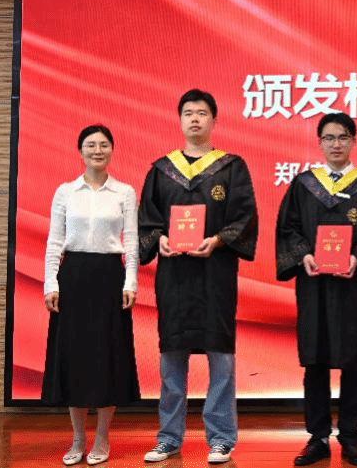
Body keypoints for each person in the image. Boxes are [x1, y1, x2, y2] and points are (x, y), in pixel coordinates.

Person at [139, 89, 258, 464]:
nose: (195, 118)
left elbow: (245, 217)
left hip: (215, 274)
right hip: (174, 275)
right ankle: (168, 437)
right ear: (179, 120)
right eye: (188, 113)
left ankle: (221, 438)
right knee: (171, 355)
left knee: (220, 356)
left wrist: (218, 240)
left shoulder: (231, 168)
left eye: (202, 113)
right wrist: (159, 239)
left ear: (214, 120)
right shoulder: (162, 170)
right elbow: (147, 222)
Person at [276, 112, 357, 467]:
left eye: (343, 137)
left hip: (351, 285)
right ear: (319, 143)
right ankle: (317, 438)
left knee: (352, 361)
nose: (336, 144)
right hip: (313, 283)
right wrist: (304, 254)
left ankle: (350, 438)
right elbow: (287, 229)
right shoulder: (303, 185)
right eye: (329, 138)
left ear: (354, 141)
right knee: (315, 361)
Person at [42, 124, 140, 466]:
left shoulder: (124, 192)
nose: (97, 150)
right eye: (90, 145)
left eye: (103, 145)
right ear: (80, 151)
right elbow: (55, 241)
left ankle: (102, 437)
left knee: (107, 357)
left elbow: (131, 242)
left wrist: (131, 282)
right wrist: (51, 284)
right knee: (76, 358)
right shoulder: (66, 192)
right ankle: (77, 438)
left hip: (110, 278)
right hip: (73, 278)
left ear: (112, 149)